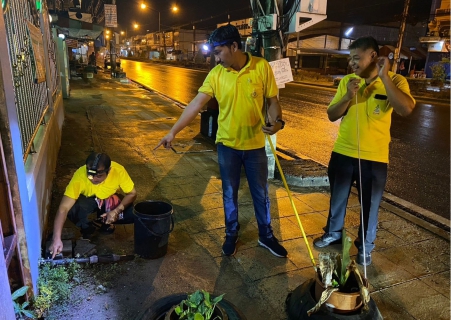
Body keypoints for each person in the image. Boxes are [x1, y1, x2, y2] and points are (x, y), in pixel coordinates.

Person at [155, 25, 287, 258]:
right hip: (227, 146)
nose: (215, 58)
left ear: (234, 46)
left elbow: (273, 100)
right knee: (229, 193)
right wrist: (172, 132)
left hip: (256, 146)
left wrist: (277, 122)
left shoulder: (261, 67)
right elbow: (196, 104)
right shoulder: (216, 74)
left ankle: (266, 236)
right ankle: (231, 235)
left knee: (261, 193)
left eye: (218, 52)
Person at [313, 36, 415, 266]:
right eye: (350, 59)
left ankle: (365, 247)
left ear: (373, 57)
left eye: (356, 58)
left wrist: (384, 77)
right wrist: (348, 96)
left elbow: (406, 109)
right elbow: (332, 114)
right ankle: (333, 233)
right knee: (337, 199)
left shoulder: (396, 81)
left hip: (374, 158)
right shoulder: (348, 82)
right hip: (343, 152)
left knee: (370, 205)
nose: (352, 63)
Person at [50, 152, 137, 258]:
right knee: (73, 210)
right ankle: (87, 229)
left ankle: (107, 222)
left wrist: (116, 211)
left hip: (109, 199)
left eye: (99, 176)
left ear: (108, 171)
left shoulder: (118, 170)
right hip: (89, 200)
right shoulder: (80, 175)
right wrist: (56, 239)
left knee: (131, 214)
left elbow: (132, 193)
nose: (93, 179)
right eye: (90, 175)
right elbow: (63, 208)